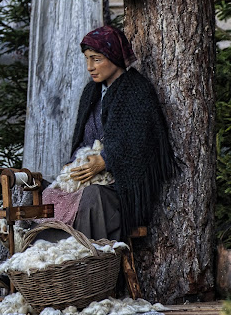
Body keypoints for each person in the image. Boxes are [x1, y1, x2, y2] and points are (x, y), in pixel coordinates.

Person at [44, 25, 179, 241]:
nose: (90, 67)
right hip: (90, 182)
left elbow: (141, 143)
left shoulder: (136, 90)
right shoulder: (91, 92)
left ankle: (89, 265)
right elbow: (84, 140)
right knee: (45, 195)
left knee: (92, 196)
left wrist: (105, 161)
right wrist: (74, 164)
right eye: (87, 59)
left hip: (121, 190)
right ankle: (48, 264)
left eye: (96, 59)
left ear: (114, 56)